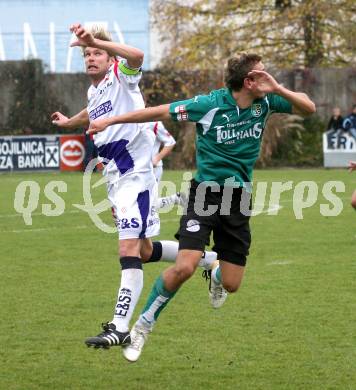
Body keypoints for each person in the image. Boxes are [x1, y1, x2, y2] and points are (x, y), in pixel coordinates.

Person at [87, 53, 316, 362]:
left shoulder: (267, 102)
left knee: (232, 284)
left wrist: (277, 88)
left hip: (238, 200)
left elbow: (309, 108)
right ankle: (142, 327)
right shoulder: (209, 105)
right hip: (204, 195)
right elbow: (157, 111)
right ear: (248, 82)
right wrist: (111, 120)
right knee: (184, 265)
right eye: (261, 74)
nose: (266, 77)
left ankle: (217, 274)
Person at [51, 24, 217, 350]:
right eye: (86, 54)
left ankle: (119, 326)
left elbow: (139, 56)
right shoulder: (94, 90)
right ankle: (209, 260)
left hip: (136, 177)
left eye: (96, 52)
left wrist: (98, 40)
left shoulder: (121, 74)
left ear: (109, 54)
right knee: (142, 249)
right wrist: (72, 122)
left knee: (127, 251)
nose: (91, 57)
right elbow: (94, 109)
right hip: (116, 179)